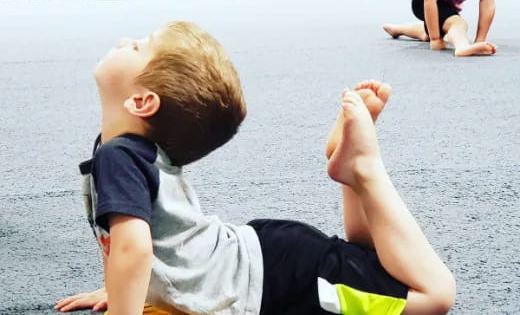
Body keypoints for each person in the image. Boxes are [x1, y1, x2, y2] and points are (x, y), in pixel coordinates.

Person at [55, 21, 456, 315]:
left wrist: (125, 303)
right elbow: (127, 244)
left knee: (433, 297)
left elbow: (134, 249)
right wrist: (127, 290)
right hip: (264, 258)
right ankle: (351, 172)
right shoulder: (123, 151)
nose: (127, 40)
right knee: (367, 261)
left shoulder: (118, 156)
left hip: (279, 283)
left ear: (142, 103)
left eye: (139, 47)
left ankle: (365, 170)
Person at [383, 0, 497, 56]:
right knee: (458, 24)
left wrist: (480, 39)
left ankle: (397, 29)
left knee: (433, 30)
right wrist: (435, 39)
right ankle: (462, 47)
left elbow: (487, 3)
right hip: (424, 0)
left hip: (447, 5)